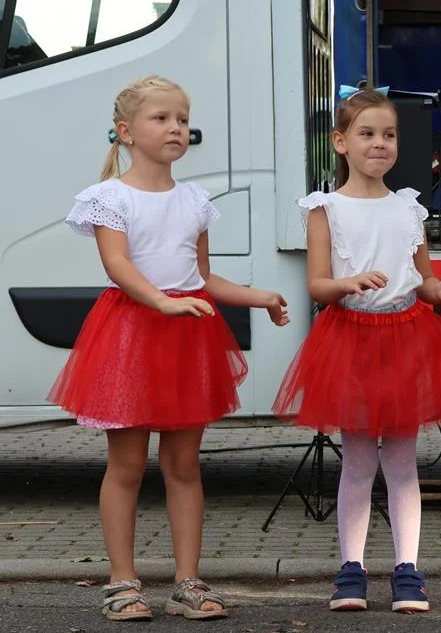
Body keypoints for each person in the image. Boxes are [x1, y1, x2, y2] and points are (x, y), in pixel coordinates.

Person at [49, 75, 289, 622]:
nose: (176, 127)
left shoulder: (194, 200)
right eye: (161, 119)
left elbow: (201, 277)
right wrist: (161, 302)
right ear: (126, 131)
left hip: (185, 335)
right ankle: (122, 581)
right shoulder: (109, 198)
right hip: (131, 333)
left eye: (181, 118)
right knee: (127, 463)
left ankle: (188, 581)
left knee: (184, 464)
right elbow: (118, 266)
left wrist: (259, 296)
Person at [272, 86, 441, 614]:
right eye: (366, 134)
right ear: (340, 143)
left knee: (403, 460)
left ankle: (408, 570)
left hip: (406, 336)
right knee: (357, 461)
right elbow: (317, 285)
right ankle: (352, 568)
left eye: (389, 135)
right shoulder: (325, 208)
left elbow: (422, 280)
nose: (379, 144)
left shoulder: (408, 206)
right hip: (351, 337)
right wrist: (346, 284)